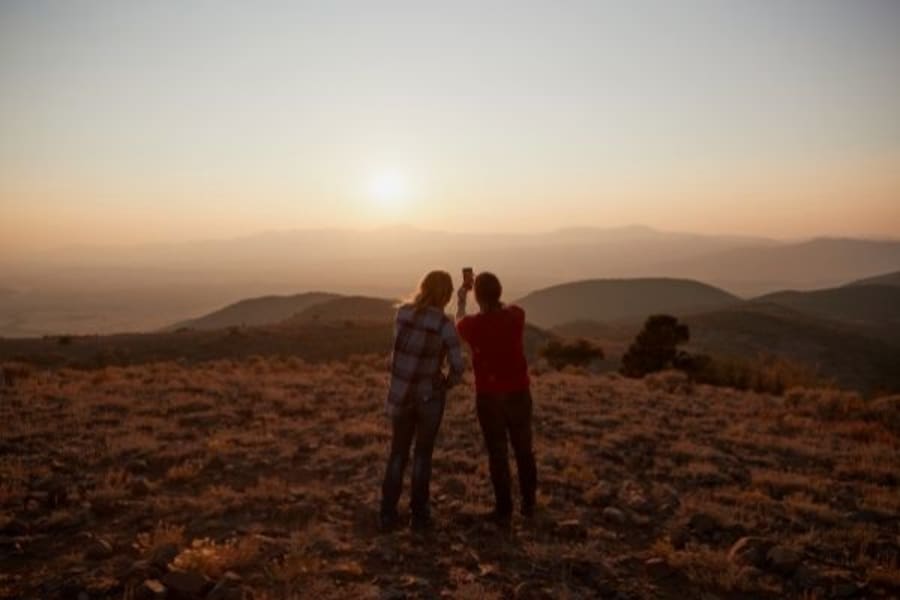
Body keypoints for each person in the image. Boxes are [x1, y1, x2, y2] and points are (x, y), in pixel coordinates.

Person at [380, 270, 465, 532]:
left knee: (397, 454)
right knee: (422, 456)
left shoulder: (403, 313)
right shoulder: (444, 323)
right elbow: (458, 366)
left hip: (401, 394)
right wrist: (445, 383)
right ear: (447, 294)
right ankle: (419, 515)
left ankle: (387, 513)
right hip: (429, 397)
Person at [456, 271, 537, 525]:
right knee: (524, 450)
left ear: (477, 296)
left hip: (489, 397)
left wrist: (461, 299)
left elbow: (459, 321)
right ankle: (529, 504)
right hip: (518, 392)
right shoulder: (516, 317)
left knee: (498, 453)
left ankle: (504, 510)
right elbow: (509, 308)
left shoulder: (473, 327)